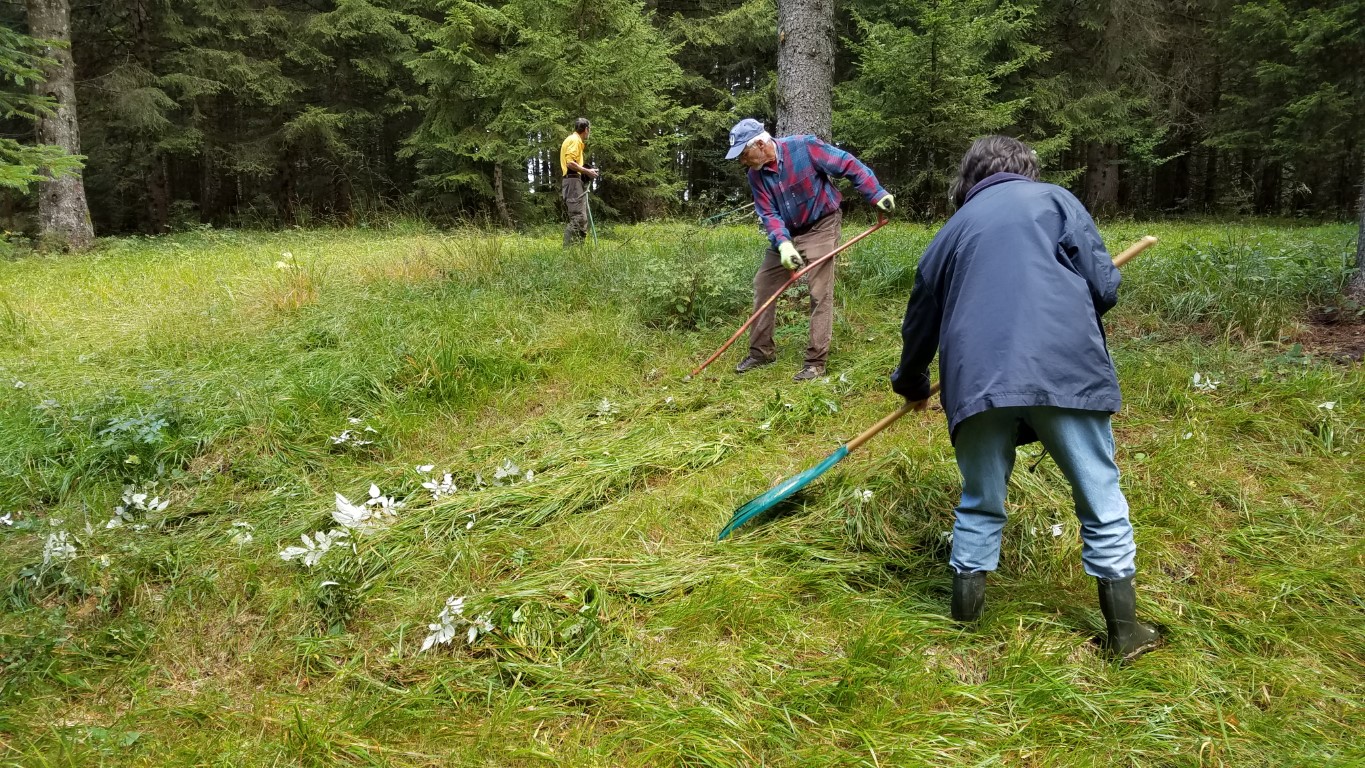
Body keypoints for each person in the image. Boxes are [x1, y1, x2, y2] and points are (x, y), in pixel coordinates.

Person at [889, 135, 1161, 661]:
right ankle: (1125, 635)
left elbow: (919, 323)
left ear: (969, 179)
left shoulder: (948, 234)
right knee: (1100, 500)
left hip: (976, 382)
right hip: (1064, 370)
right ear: (1025, 168)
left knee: (979, 500)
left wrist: (912, 383)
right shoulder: (1055, 200)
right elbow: (1103, 287)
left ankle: (963, 631)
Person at [726, 118, 895, 382]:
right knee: (763, 284)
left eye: (744, 154)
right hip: (788, 233)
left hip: (821, 224)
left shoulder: (804, 147)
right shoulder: (755, 176)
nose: (742, 162)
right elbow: (768, 213)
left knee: (819, 290)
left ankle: (815, 362)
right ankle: (761, 353)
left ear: (760, 143)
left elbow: (848, 164)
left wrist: (877, 194)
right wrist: (783, 244)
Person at [560, 118, 598, 247]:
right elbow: (570, 163)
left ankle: (578, 251)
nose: (589, 132)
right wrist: (587, 172)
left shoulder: (574, 140)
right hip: (572, 182)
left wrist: (584, 172)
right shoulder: (575, 140)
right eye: (589, 130)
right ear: (586, 129)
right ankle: (569, 251)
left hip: (574, 181)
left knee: (582, 218)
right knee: (578, 217)